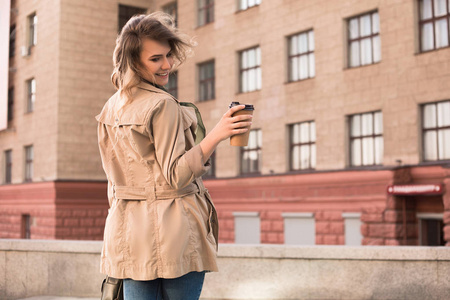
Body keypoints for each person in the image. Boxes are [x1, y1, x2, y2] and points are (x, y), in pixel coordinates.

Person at [95, 12, 252, 300]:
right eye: (156, 58)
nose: (167, 65)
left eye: (167, 55)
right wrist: (218, 133)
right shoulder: (162, 104)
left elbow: (113, 179)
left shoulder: (111, 107)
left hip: (128, 233)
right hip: (175, 233)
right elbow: (176, 176)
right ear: (133, 60)